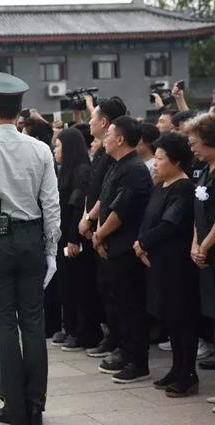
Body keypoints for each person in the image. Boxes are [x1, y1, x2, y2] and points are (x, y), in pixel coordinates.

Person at [0, 72, 60, 425]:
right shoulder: (41, 149)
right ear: (19, 111)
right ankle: (36, 405)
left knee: (2, 325)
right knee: (33, 323)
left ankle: (14, 406)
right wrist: (51, 249)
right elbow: (51, 203)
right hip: (32, 238)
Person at [134, 133, 199, 397]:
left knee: (183, 318)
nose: (156, 163)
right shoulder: (161, 185)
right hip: (157, 261)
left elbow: (169, 225)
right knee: (171, 318)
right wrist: (141, 243)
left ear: (176, 161)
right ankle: (176, 368)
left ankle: (188, 372)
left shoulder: (183, 188)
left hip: (177, 264)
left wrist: (142, 243)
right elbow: (148, 218)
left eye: (161, 159)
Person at [92, 116, 153, 383]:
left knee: (131, 306)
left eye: (109, 135)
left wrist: (99, 235)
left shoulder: (134, 169)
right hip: (111, 246)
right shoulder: (116, 165)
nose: (105, 139)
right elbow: (105, 201)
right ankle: (126, 352)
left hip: (126, 249)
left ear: (120, 139)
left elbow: (121, 210)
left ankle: (138, 361)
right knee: (119, 304)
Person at [77, 97, 127, 360]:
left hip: (109, 234)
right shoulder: (101, 152)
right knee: (105, 289)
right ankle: (113, 338)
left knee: (117, 293)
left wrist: (92, 222)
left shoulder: (113, 157)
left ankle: (120, 342)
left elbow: (107, 197)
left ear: (105, 122)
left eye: (93, 116)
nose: (90, 121)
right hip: (96, 229)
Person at [53, 128, 103, 352]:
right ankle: (72, 328)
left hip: (75, 237)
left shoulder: (82, 171)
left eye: (58, 146)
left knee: (81, 286)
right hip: (64, 235)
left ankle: (86, 331)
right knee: (68, 285)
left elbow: (76, 207)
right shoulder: (66, 170)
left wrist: (73, 238)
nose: (55, 150)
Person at [186, 113, 215, 413]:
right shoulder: (205, 171)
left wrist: (204, 246)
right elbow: (200, 213)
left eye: (195, 143)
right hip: (205, 252)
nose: (192, 148)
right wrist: (196, 242)